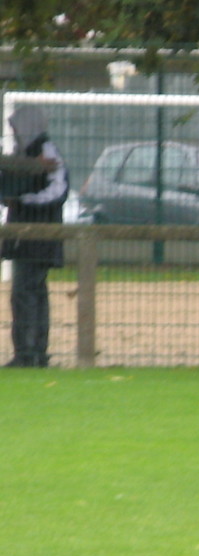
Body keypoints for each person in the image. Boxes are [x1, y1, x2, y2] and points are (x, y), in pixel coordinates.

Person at [2, 105, 69, 368]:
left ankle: (29, 354)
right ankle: (35, 352)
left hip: (38, 234)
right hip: (24, 234)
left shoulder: (45, 150)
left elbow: (59, 190)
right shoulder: (24, 154)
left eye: (16, 125)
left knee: (26, 292)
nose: (14, 131)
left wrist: (23, 201)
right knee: (31, 291)